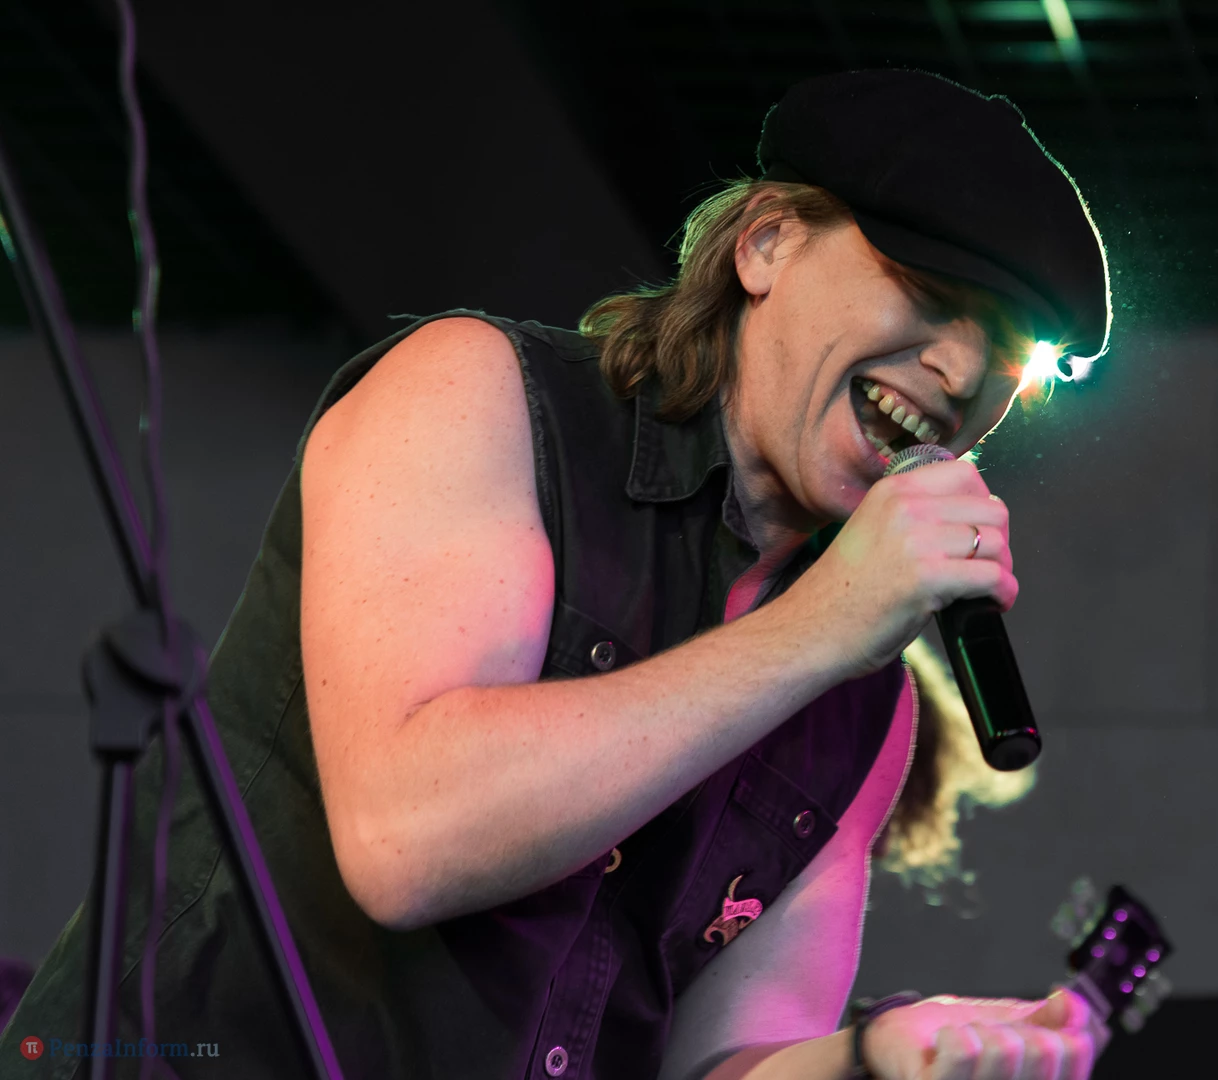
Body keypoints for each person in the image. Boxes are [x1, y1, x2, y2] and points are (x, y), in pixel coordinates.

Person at [2, 69, 1110, 1079]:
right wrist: (820, 627)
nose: (961, 369)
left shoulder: (864, 707)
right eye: (926, 290)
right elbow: (407, 839)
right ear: (766, 244)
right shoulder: (475, 395)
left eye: (1008, 349)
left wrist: (874, 1061)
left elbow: (721, 1058)